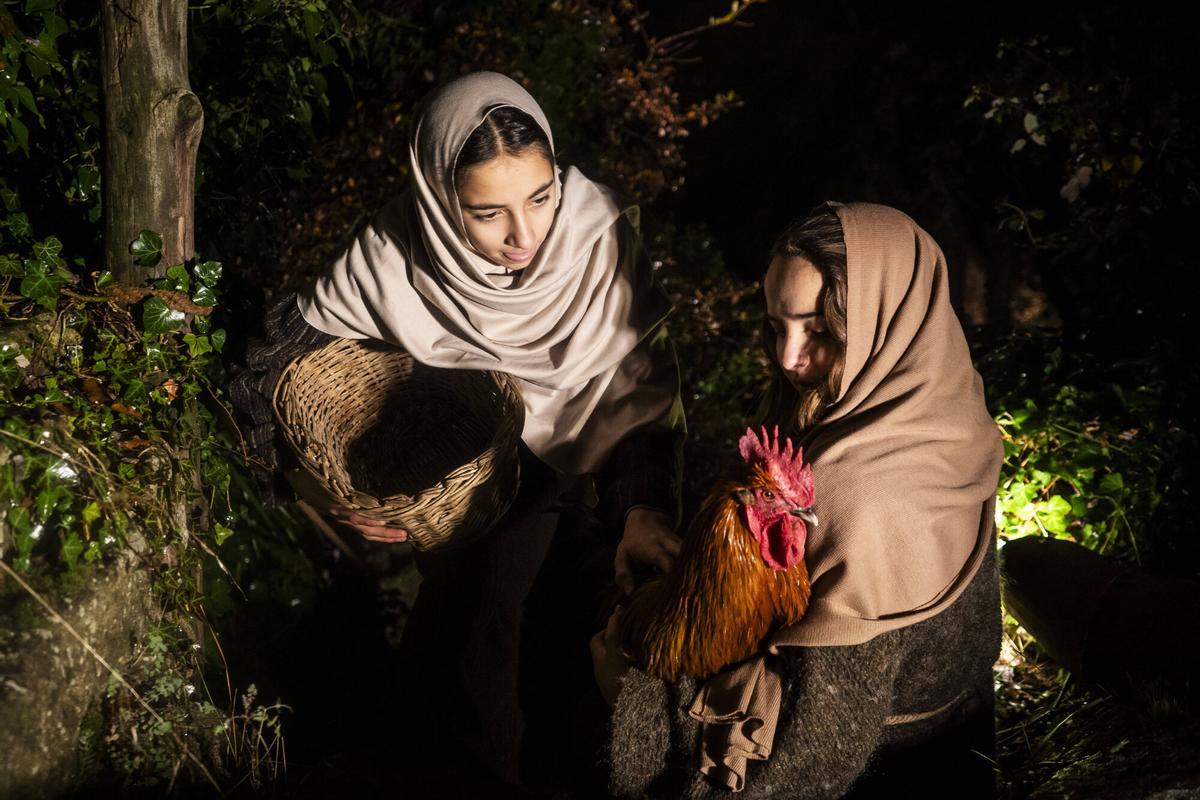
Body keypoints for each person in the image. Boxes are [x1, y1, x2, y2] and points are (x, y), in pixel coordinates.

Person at [230, 71, 686, 789]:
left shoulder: (595, 233)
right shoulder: (392, 252)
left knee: (565, 656)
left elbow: (639, 390)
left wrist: (642, 507)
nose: (524, 235)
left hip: (600, 483)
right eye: (486, 213)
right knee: (473, 649)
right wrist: (313, 489)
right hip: (475, 476)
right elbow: (273, 365)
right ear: (441, 205)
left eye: (540, 196)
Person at [592, 202, 1004, 798]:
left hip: (891, 774)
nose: (787, 358)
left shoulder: (858, 498)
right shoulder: (940, 407)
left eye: (817, 329)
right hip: (959, 745)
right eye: (776, 326)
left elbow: (807, 761)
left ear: (886, 318)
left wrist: (632, 697)